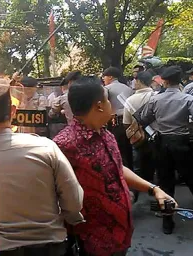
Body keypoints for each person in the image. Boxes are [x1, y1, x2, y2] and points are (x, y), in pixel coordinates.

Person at [53, 77, 176, 256]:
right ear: (99, 105)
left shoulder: (106, 135)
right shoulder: (64, 145)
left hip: (121, 232)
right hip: (93, 239)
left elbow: (117, 168)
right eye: (108, 100)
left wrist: (154, 189)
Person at [0, 79, 84, 256]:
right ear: (13, 111)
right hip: (51, 246)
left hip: (1, 250)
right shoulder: (46, 147)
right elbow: (74, 200)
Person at [140, 66, 193, 234]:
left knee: (166, 183)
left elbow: (144, 118)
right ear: (180, 81)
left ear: (165, 81)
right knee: (191, 176)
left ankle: (167, 223)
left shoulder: (156, 100)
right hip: (182, 143)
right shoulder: (188, 99)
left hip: (162, 144)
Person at [123, 71, 157, 202]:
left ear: (139, 81)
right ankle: (157, 198)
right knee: (157, 167)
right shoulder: (157, 96)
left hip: (138, 138)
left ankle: (133, 197)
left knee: (137, 167)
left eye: (134, 80)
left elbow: (126, 123)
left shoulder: (130, 100)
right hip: (156, 137)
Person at [103, 67, 134, 170]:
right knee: (128, 149)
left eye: (105, 76)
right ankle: (131, 171)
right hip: (129, 122)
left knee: (118, 148)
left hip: (115, 122)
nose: (103, 79)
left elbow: (103, 105)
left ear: (110, 77)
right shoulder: (128, 88)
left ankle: (121, 172)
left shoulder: (107, 88)